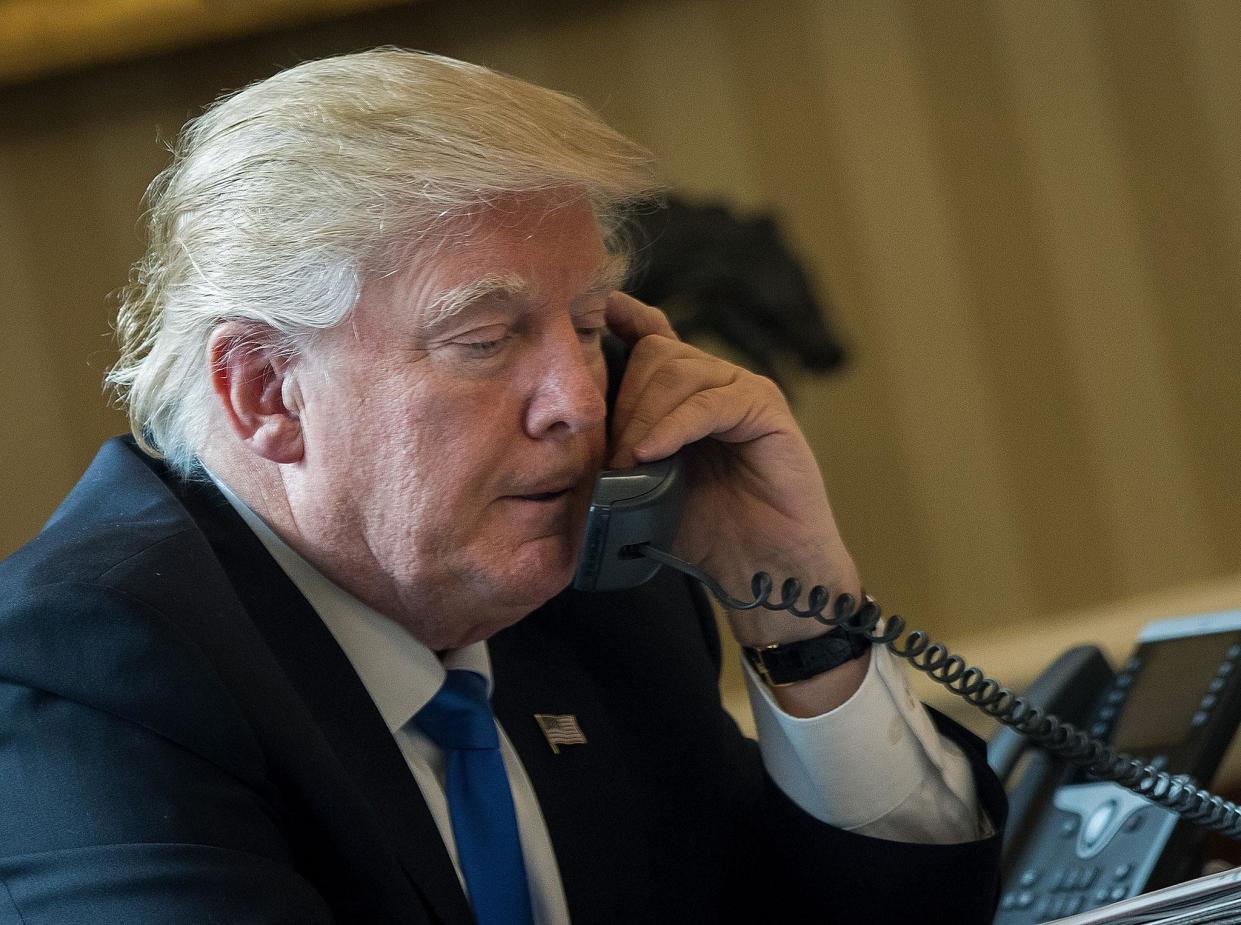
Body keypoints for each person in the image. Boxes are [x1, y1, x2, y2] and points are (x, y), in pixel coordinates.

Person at [0, 48, 1004, 923]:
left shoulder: (596, 603)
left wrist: (796, 612)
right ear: (266, 390)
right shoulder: (91, 676)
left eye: (584, 325)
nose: (577, 399)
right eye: (484, 340)